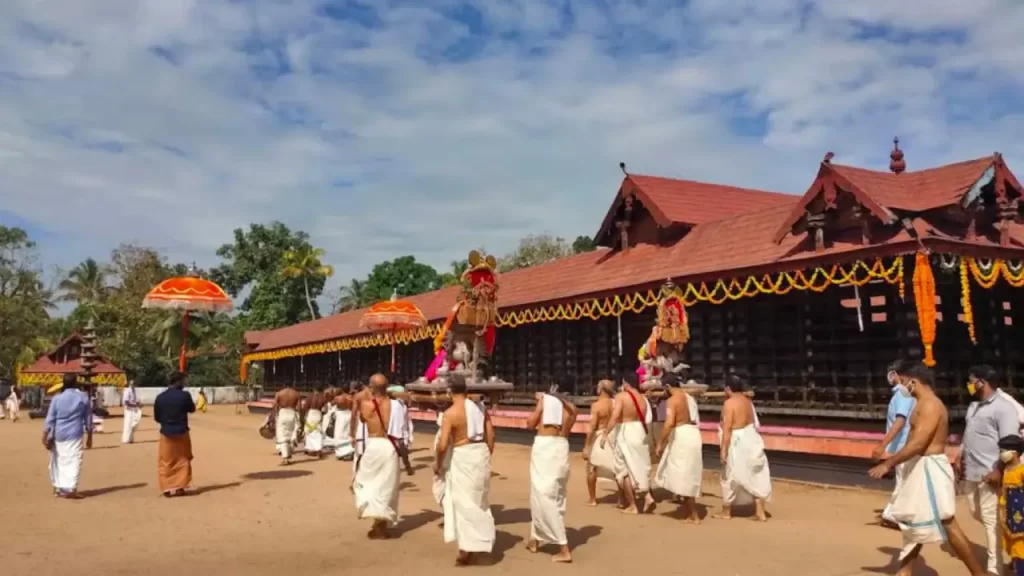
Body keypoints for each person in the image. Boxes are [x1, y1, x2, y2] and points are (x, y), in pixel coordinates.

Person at [869, 363, 986, 576]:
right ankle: (904, 572)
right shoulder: (920, 404)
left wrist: (888, 463)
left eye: (904, 382)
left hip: (930, 470)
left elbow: (918, 444)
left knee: (947, 523)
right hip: (919, 468)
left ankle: (979, 574)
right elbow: (913, 444)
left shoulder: (930, 405)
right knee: (913, 525)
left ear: (913, 382)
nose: (902, 387)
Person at [956, 364, 1021, 575]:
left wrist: (998, 470)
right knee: (976, 512)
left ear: (982, 382)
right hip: (972, 472)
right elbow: (968, 433)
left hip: (990, 473)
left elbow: (1010, 444)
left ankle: (995, 567)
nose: (969, 384)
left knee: (991, 519)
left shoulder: (1004, 408)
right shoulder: (974, 406)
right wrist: (960, 455)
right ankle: (1015, 544)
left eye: (972, 380)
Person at [435, 374, 496, 566]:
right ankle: (472, 543)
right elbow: (491, 434)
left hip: (463, 454)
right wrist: (486, 454)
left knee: (463, 502)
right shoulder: (480, 408)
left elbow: (443, 444)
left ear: (449, 391)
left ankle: (466, 548)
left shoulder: (450, 414)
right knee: (479, 499)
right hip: (480, 452)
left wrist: (438, 463)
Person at [352, 373, 409, 539]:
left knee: (366, 483)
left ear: (370, 388)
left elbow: (362, 419)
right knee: (387, 488)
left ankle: (378, 524)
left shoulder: (365, 404)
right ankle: (380, 524)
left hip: (373, 445)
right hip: (390, 447)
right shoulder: (398, 406)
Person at [525, 386, 578, 562]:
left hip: (546, 448)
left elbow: (531, 423)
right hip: (561, 447)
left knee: (544, 494)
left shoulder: (545, 401)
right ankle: (534, 538)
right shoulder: (572, 408)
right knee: (551, 494)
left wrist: (538, 406)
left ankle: (563, 547)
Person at [715, 372, 771, 521]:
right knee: (755, 474)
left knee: (728, 476)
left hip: (737, 440)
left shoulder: (729, 404)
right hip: (752, 438)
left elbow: (727, 430)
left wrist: (723, 450)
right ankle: (760, 511)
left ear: (728, 388)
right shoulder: (748, 402)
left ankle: (726, 511)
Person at [603, 371, 654, 515]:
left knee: (622, 469)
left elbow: (615, 416)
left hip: (626, 431)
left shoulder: (622, 397)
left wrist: (605, 433)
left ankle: (632, 505)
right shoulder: (643, 399)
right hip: (640, 431)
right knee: (639, 466)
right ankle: (647, 496)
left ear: (626, 383)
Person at [654, 373, 703, 523]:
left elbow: (669, 423)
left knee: (683, 475)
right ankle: (690, 512)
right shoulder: (687, 397)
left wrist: (660, 443)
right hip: (693, 433)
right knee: (687, 473)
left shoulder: (673, 400)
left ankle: (694, 515)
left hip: (682, 436)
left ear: (667, 386)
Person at [871, 360, 916, 527]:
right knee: (904, 481)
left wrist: (882, 445)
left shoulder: (902, 394)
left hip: (904, 446)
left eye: (890, 373)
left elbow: (900, 421)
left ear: (896, 374)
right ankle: (893, 513)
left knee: (904, 481)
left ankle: (892, 514)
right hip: (903, 445)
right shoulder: (904, 394)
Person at [43, 374, 93, 499]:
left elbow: (50, 419)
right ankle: (71, 488)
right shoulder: (83, 398)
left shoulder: (57, 399)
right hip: (75, 434)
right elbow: (88, 419)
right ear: (75, 383)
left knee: (57, 461)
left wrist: (44, 436)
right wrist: (90, 437)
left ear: (63, 383)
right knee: (74, 460)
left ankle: (57, 487)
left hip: (58, 434)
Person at [153, 371, 196, 497]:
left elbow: (157, 417)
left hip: (166, 432)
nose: (184, 384)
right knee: (182, 459)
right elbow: (192, 409)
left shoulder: (160, 397)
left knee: (166, 460)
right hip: (182, 431)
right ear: (178, 381)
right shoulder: (185, 395)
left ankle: (167, 487)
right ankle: (180, 486)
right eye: (183, 381)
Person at [582, 379, 618, 507]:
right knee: (619, 467)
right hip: (615, 436)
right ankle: (623, 499)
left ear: (601, 389)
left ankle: (592, 499)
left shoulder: (597, 405)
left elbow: (592, 427)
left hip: (600, 435)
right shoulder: (616, 403)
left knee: (591, 467)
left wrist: (587, 445)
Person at [998, 434, 1024, 575]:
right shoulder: (1006, 470)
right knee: (1013, 545)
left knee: (1021, 546)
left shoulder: (1022, 471)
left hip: (1021, 518)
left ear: (1015, 453)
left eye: (1004, 450)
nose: (1002, 453)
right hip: (1009, 517)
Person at [273, 383, 301, 465]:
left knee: (282, 435)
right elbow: (299, 408)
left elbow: (274, 406)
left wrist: (273, 416)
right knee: (292, 433)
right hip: (292, 413)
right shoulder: (296, 394)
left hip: (283, 413)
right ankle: (289, 452)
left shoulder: (279, 393)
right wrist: (300, 419)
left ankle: (285, 458)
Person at [303, 386, 328, 458]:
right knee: (318, 432)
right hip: (318, 414)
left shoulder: (310, 396)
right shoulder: (323, 398)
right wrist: (321, 414)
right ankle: (318, 449)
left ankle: (310, 450)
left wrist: (304, 415)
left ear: (314, 389)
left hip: (310, 414)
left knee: (309, 432)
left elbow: (305, 407)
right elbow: (325, 410)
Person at [330, 388, 355, 461]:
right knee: (348, 433)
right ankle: (350, 450)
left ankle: (342, 453)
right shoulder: (351, 398)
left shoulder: (338, 398)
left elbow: (332, 404)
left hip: (341, 415)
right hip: (349, 414)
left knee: (339, 434)